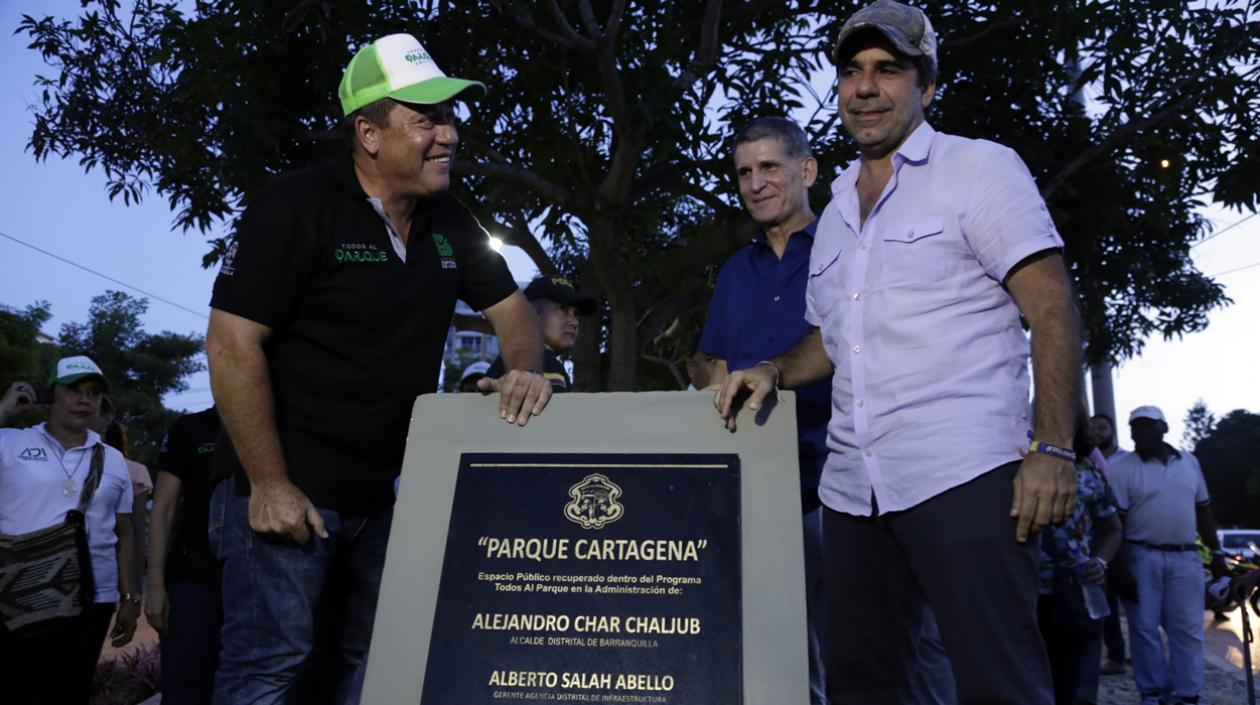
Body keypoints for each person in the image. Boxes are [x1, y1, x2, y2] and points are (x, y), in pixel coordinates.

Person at [714, 1, 1081, 702]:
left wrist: (1053, 448)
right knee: (862, 688)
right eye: (852, 71)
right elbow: (831, 338)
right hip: (852, 493)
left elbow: (1052, 306)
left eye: (887, 69)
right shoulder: (835, 212)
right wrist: (773, 369)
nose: (865, 87)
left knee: (999, 685)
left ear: (927, 85)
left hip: (966, 475)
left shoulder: (979, 169)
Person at [204, 33, 553, 704]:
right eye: (427, 120)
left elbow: (515, 315)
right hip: (287, 489)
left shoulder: (450, 218)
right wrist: (269, 483)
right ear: (368, 133)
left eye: (450, 117)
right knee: (271, 666)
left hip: (385, 498)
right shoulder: (294, 205)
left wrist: (526, 372)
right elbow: (229, 345)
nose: (449, 135)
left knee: (376, 665)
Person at [697, 115, 833, 704]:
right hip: (751, 497)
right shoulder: (734, 272)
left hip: (835, 492)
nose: (755, 184)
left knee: (851, 657)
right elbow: (714, 366)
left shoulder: (847, 250)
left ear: (808, 170)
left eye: (770, 167)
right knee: (774, 661)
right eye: (744, 172)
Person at [0, 356, 139, 703]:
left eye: (93, 393)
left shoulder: (113, 459)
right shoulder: (9, 442)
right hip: (17, 595)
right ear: (50, 395)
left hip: (93, 600)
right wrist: (3, 410)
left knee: (70, 692)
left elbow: (125, 534)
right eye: (74, 390)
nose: (84, 399)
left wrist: (129, 599)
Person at [1107, 405, 1226, 705]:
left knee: (1188, 628)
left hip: (1185, 557)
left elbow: (1203, 510)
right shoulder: (1121, 468)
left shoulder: (1189, 462)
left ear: (1164, 428)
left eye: (1147, 425)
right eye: (1135, 426)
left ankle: (1187, 693)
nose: (1139, 431)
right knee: (1144, 628)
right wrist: (1121, 568)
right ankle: (1152, 692)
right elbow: (1116, 522)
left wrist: (1217, 553)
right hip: (1140, 555)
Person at [1036, 413, 1122, 705]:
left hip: (1076, 590)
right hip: (1027, 591)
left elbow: (1112, 529)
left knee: (1077, 681)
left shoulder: (1090, 474)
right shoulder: (1016, 468)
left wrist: (1100, 562)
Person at [147, 406, 222, 705]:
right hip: (193, 578)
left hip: (256, 580)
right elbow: (163, 508)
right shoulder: (189, 428)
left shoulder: (276, 422)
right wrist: (155, 588)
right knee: (185, 690)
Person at [487, 275, 597, 392]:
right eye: (563, 309)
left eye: (576, 314)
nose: (574, 322)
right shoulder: (535, 363)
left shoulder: (514, 359)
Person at [1087, 411, 1130, 675]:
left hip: (1125, 533)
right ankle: (1114, 654)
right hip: (1096, 535)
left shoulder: (1127, 460)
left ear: (1112, 430)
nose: (1097, 432)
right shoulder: (1086, 460)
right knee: (1106, 599)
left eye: (1102, 427)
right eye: (1092, 428)